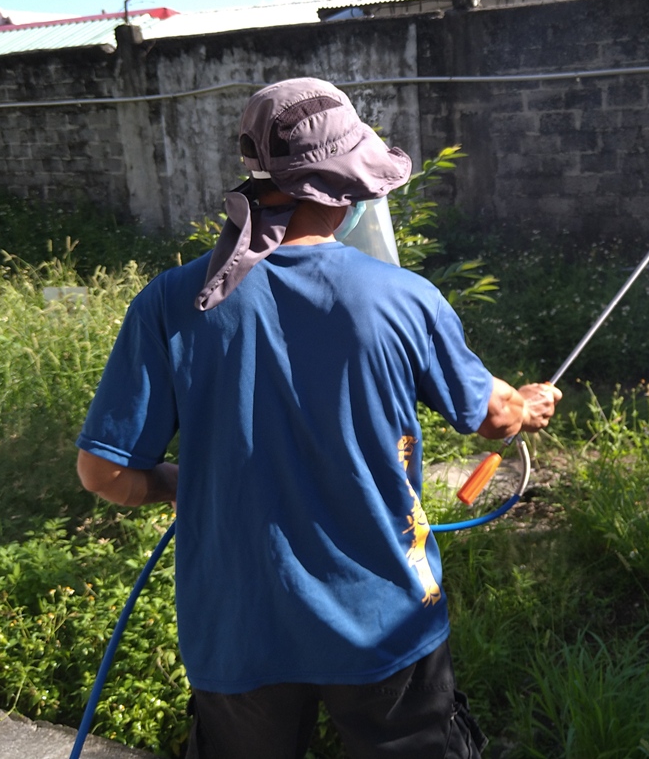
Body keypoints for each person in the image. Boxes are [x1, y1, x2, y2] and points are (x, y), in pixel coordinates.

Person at [75, 77, 562, 759]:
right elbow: (495, 417)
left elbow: (104, 472)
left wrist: (186, 483)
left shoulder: (173, 301)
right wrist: (529, 405)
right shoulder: (404, 299)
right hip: (384, 620)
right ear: (343, 190)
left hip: (237, 631)